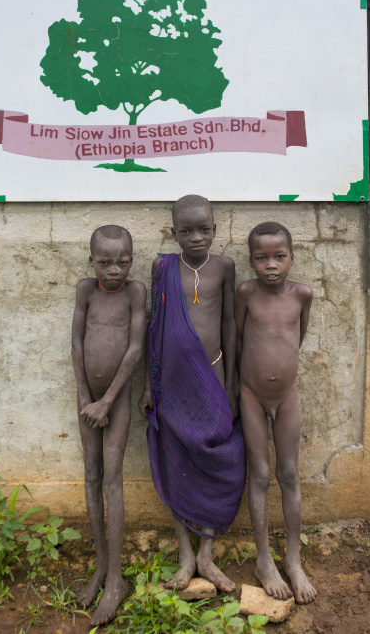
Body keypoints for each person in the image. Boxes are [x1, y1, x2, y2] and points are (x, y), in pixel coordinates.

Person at [139, 195, 246, 593]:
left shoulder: (225, 267)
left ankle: (207, 555)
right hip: (173, 382)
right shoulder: (162, 267)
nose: (196, 237)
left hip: (215, 378)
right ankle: (185, 556)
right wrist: (151, 384)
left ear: (216, 229)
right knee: (177, 461)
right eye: (186, 231)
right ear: (174, 233)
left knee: (220, 459)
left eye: (204, 229)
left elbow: (231, 327)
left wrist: (231, 384)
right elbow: (154, 328)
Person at [236, 221, 317, 605]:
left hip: (286, 396)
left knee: (287, 473)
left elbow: (296, 340)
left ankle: (294, 559)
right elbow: (237, 340)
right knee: (261, 473)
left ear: (291, 258)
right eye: (261, 258)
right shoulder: (246, 293)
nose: (271, 265)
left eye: (279, 257)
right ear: (251, 261)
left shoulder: (303, 295)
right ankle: (264, 559)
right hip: (251, 394)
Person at [71, 225, 147, 625]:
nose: (114, 270)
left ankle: (116, 580)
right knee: (91, 476)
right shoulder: (86, 290)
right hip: (88, 401)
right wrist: (85, 398)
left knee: (112, 479)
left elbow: (135, 348)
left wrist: (106, 401)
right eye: (104, 262)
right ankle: (100, 566)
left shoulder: (135, 293)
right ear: (91, 261)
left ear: (132, 260)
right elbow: (76, 345)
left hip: (114, 403)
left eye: (122, 262)